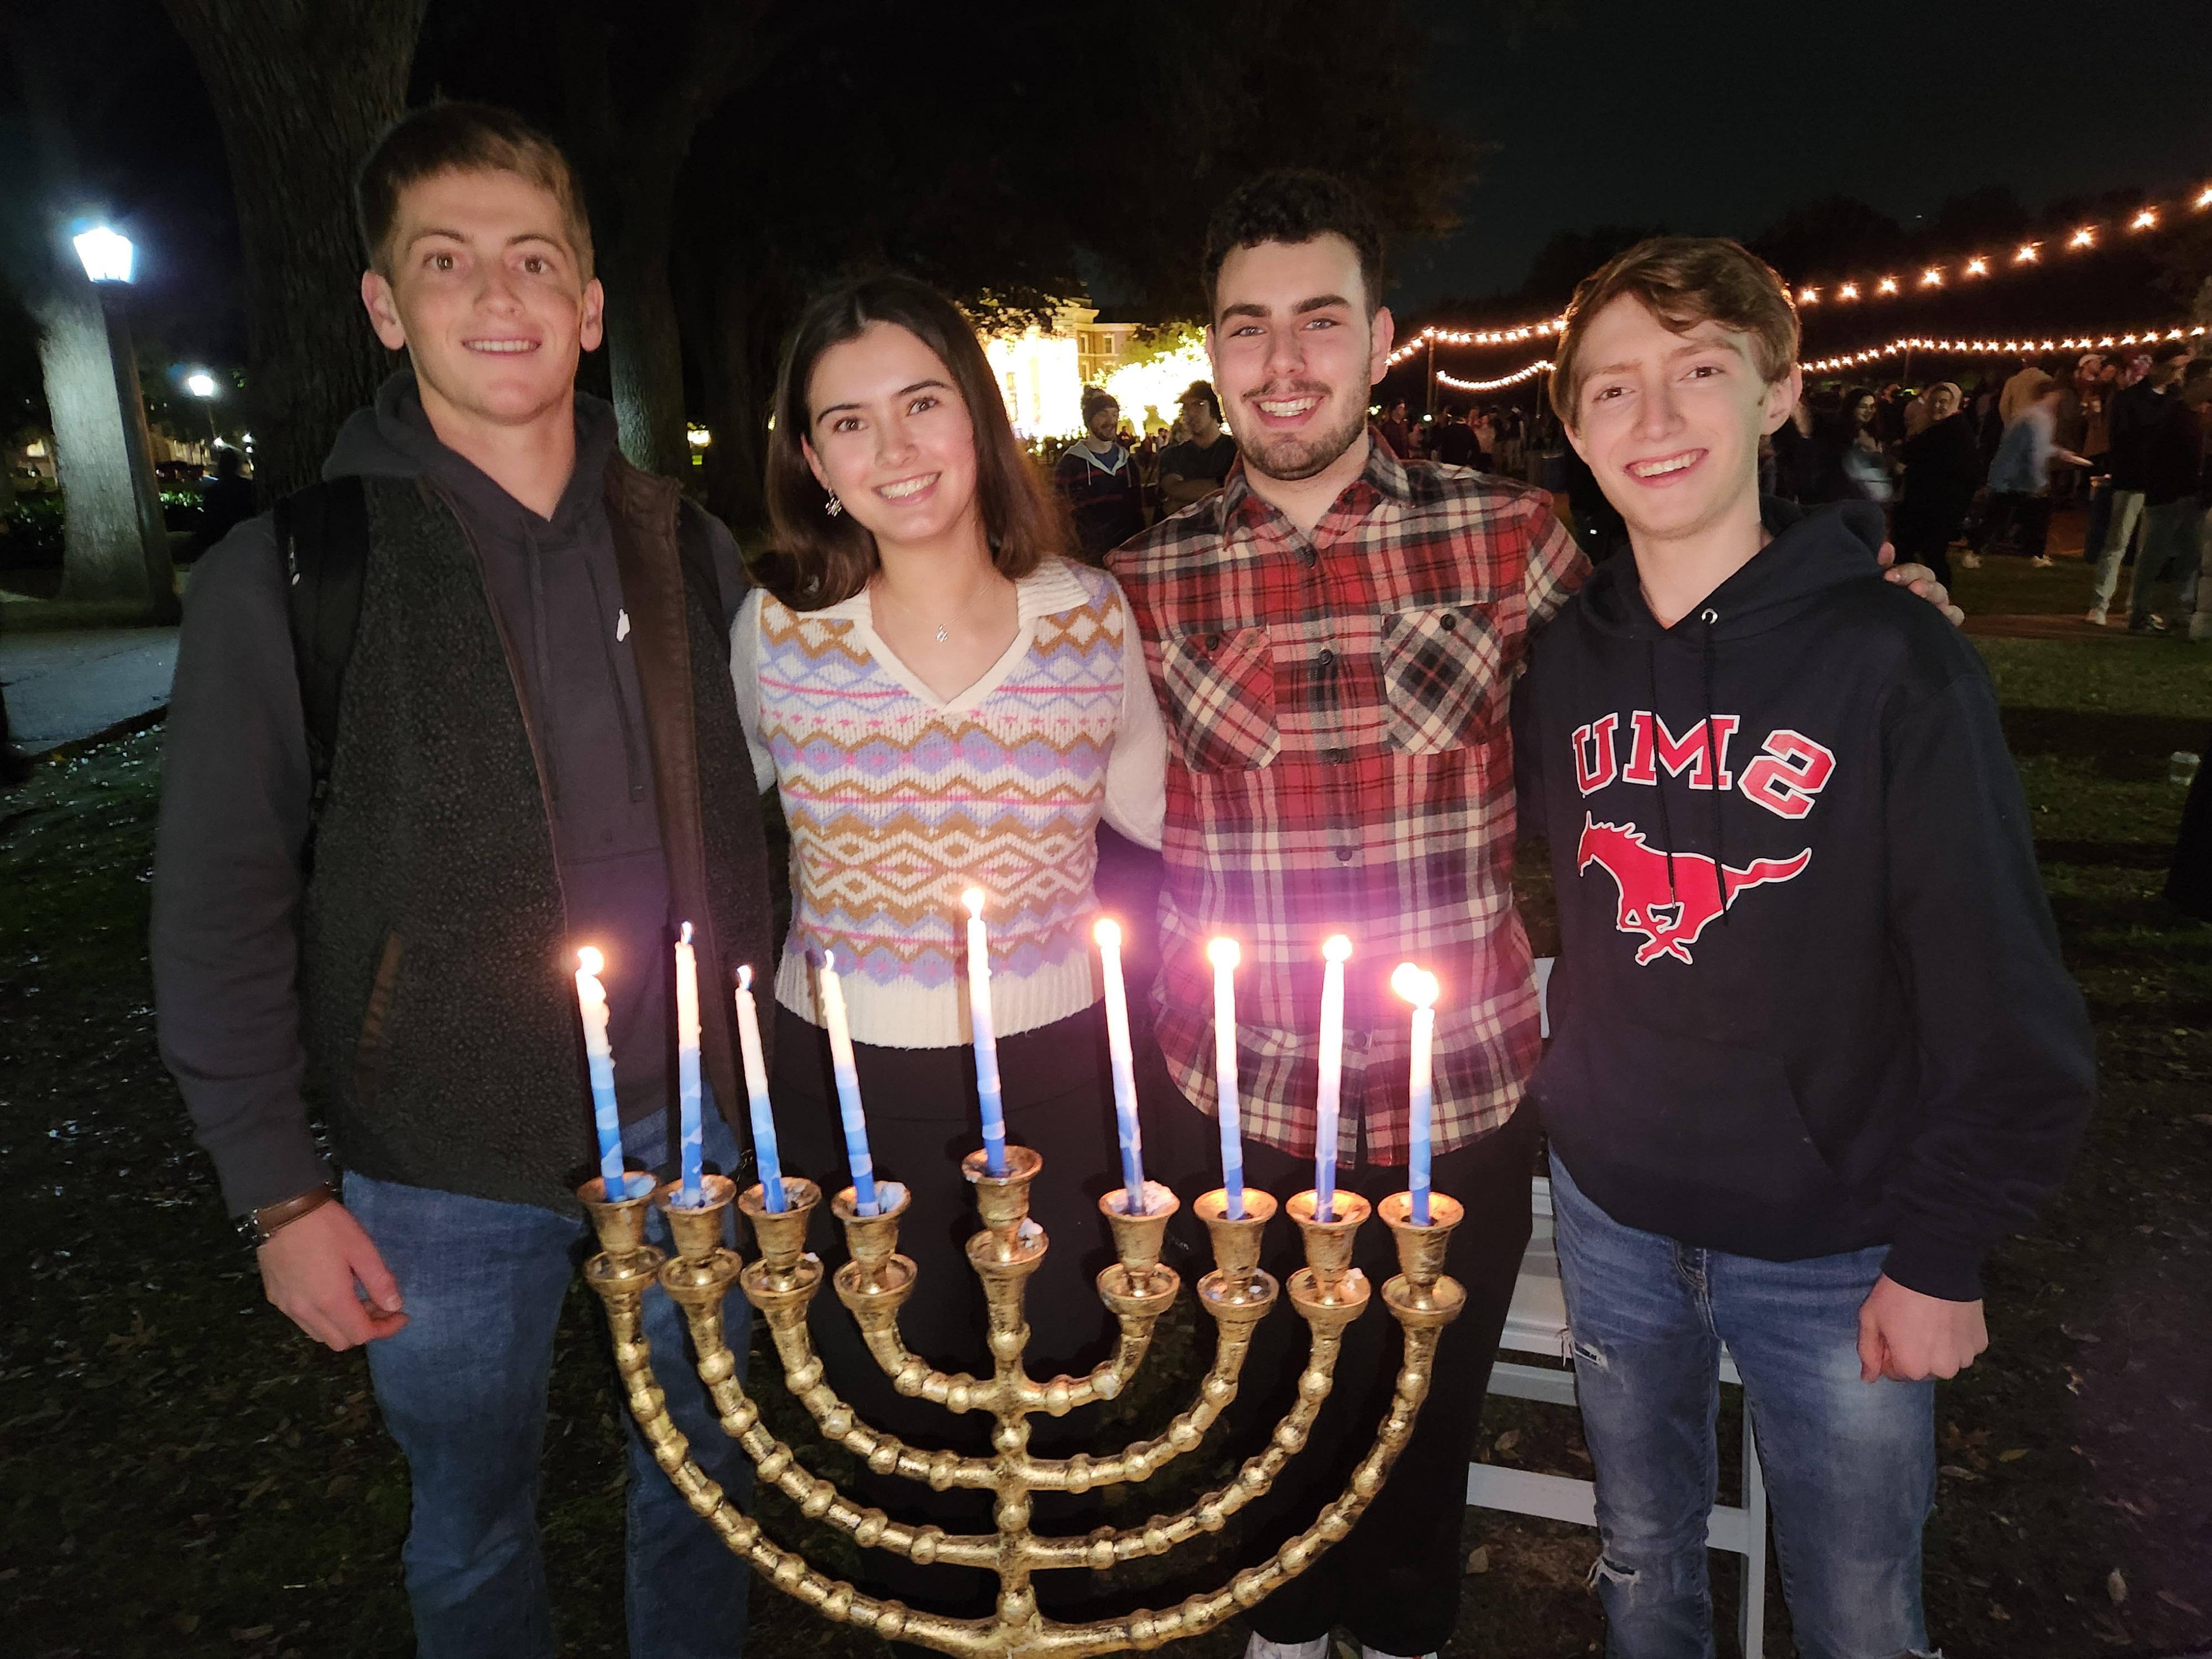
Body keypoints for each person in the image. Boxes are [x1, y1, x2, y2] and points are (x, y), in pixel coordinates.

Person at [1109, 170, 1961, 1659]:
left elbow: (1698, 643)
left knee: (1422, 1441)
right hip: (1239, 1106)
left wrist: (1863, 602)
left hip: (1467, 1096)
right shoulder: (1139, 582)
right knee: (1261, 1432)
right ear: (1214, 351)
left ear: (1382, 339)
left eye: (1321, 319)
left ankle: (1404, 1640)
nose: (1286, 360)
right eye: (1250, 328)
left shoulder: (1512, 542)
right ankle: (1284, 1639)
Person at [150, 104, 775, 1656]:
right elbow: (217, 901)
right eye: (446, 262)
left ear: (589, 304)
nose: (496, 299)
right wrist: (279, 1190)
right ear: (384, 303)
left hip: (697, 1124)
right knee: (473, 1527)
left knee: (709, 1493)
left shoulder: (694, 554)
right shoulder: (294, 573)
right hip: (435, 1159)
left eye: (532, 260)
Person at [1516, 233, 2096, 1659]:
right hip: (1611, 1213)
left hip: (1837, 1243)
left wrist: (1943, 1250)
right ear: (1573, 429)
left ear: (1775, 395)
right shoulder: (1562, 663)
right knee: (1642, 1563)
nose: (1653, 421)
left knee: (1853, 1606)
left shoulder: (1893, 661)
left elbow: (2000, 990)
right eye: (1610, 390)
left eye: (1697, 371)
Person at [731, 272, 1169, 1643]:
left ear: (976, 417)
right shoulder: (773, 631)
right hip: (844, 1086)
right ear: (810, 460)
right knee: (892, 1435)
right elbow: (731, 812)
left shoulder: (1091, 614)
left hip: (1053, 1079)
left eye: (922, 403)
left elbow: (1159, 814)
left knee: (1063, 1428)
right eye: (846, 422)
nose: (895, 450)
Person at [2089, 340, 2194, 625]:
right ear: (2159, 366)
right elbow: (2122, 439)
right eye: (2174, 368)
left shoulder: (2178, 399)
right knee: (2117, 541)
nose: (2178, 374)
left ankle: (2136, 605)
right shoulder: (2132, 398)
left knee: (2150, 548)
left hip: (2161, 482)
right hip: (2133, 478)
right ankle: (2100, 604)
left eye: (2182, 369)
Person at [2124, 356, 2212, 634]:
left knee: (2191, 556)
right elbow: (2154, 455)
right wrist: (2163, 489)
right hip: (2169, 496)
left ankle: (2181, 611)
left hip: (2192, 497)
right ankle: (2140, 612)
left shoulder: (2202, 415)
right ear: (2199, 381)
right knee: (2155, 555)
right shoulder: (2173, 414)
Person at [1983, 375, 2090, 567]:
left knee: (2002, 513)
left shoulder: (2034, 415)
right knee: (2027, 513)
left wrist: (2062, 453)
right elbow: (2034, 451)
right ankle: (2034, 554)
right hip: (2016, 476)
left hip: (2011, 476)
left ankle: (2028, 552)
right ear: (2049, 395)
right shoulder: (2039, 417)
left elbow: (2038, 447)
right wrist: (2039, 481)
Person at [1892, 380, 1977, 587]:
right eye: (1935, 401)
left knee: (1928, 553)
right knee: (1918, 551)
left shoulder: (1950, 431)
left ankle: (1934, 595)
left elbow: (1916, 454)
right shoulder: (1941, 427)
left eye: (1944, 402)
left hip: (1935, 507)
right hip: (1927, 505)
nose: (1939, 406)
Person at [1053, 385, 1148, 560]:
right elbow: (1061, 517)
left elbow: (1138, 512)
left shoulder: (1127, 463)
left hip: (1127, 556)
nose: (1111, 421)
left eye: (1114, 414)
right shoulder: (1070, 465)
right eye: (1103, 414)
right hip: (1089, 559)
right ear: (1089, 420)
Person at [1157, 378, 1239, 510]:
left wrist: (1187, 499)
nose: (1190, 413)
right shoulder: (1172, 455)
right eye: (1186, 407)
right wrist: (1227, 484)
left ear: (1214, 407)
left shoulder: (1238, 451)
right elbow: (1174, 490)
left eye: (1199, 405)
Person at [194, 444, 257, 555]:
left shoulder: (213, 492)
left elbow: (209, 522)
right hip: (246, 539)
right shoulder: (248, 487)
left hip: (223, 542)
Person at [1431, 401, 1479, 467]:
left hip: (1446, 465)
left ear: (1451, 417)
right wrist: (1470, 463)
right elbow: (1477, 450)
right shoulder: (1469, 431)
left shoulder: (1446, 430)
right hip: (1462, 466)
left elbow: (1435, 445)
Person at [1375, 396, 1412, 460]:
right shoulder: (1387, 427)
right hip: (1392, 459)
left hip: (1404, 459)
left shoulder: (1404, 425)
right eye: (1401, 408)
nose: (1403, 411)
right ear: (1394, 410)